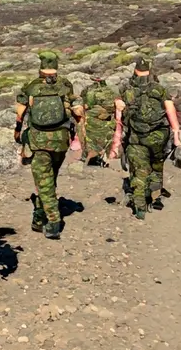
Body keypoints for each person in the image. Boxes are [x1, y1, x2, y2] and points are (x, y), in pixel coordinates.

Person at [14, 50, 83, 240]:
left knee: (44, 181)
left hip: (38, 140)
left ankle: (53, 221)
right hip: (60, 140)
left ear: (41, 67)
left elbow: (20, 112)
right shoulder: (65, 85)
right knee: (49, 179)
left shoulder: (31, 86)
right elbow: (76, 111)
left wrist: (18, 131)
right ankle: (38, 216)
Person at [109, 55, 181, 219]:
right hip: (158, 135)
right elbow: (170, 112)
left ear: (135, 72)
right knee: (156, 165)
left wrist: (117, 141)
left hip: (136, 137)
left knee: (139, 170)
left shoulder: (126, 90)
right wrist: (176, 134)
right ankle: (155, 198)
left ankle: (140, 206)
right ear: (149, 72)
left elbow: (119, 118)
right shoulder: (159, 89)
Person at [79, 76, 117, 167]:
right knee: (108, 140)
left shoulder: (90, 91)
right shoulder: (113, 90)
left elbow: (87, 106)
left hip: (94, 121)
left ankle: (91, 159)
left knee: (91, 140)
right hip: (110, 121)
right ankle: (106, 159)